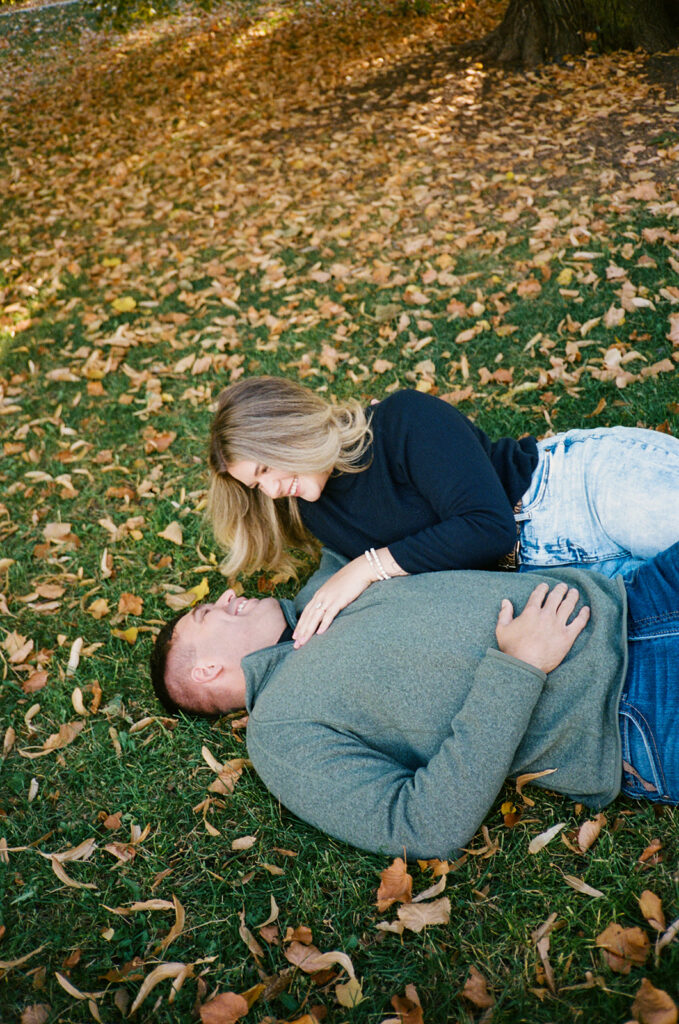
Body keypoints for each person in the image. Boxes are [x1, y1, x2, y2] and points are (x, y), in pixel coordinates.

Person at [149, 544, 679, 859]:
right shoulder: (281, 733)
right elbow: (419, 825)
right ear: (206, 670)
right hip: (630, 710)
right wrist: (518, 670)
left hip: (638, 594)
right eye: (205, 615)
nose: (224, 597)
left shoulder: (323, 590)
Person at [207, 377, 679, 648]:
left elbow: (489, 529)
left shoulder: (401, 420)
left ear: (290, 431)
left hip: (578, 489)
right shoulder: (317, 516)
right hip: (560, 573)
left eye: (268, 468)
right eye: (257, 485)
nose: (272, 490)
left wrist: (367, 568)